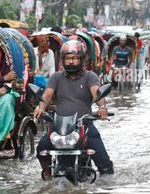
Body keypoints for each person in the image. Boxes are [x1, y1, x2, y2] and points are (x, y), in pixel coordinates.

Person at [34, 40, 114, 180]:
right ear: (63, 59)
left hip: (84, 126)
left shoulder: (90, 77)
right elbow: (47, 95)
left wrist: (102, 108)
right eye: (68, 58)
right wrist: (40, 108)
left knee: (105, 165)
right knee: (42, 147)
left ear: (82, 59)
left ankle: (107, 184)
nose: (71, 62)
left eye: (75, 58)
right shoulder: (56, 77)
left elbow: (97, 93)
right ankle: (47, 175)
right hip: (59, 126)